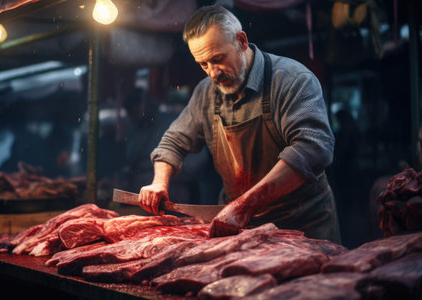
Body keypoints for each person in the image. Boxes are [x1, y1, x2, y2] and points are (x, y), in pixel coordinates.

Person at [138, 4, 341, 242]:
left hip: (301, 225)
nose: (212, 73)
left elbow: (312, 149)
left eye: (218, 59)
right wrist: (159, 182)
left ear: (242, 41)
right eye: (203, 64)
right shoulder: (206, 92)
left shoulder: (292, 80)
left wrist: (245, 205)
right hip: (235, 226)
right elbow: (174, 141)